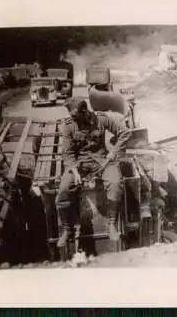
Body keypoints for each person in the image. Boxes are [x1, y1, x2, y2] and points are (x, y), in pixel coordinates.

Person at [55, 98, 131, 244]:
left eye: (76, 116)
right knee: (63, 190)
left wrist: (114, 152)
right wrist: (76, 173)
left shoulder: (101, 119)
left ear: (85, 112)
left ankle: (112, 223)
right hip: (78, 164)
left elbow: (124, 133)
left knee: (115, 183)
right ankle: (67, 228)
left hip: (102, 160)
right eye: (71, 116)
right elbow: (68, 154)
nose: (73, 118)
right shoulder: (68, 126)